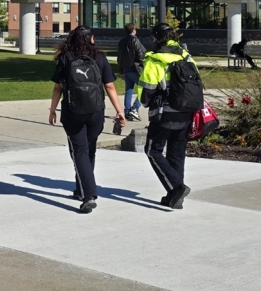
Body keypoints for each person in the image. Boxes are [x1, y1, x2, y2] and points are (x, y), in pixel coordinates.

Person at [48, 26, 126, 213]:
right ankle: (81, 189)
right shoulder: (100, 57)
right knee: (89, 149)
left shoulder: (66, 58)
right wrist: (119, 111)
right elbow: (109, 86)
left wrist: (52, 110)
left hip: (72, 112)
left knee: (79, 151)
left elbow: (58, 88)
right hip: (96, 112)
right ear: (91, 39)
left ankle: (88, 195)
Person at [137, 23, 197, 210]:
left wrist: (145, 103)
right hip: (186, 112)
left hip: (164, 113)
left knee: (152, 150)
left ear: (156, 38)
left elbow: (146, 91)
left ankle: (177, 188)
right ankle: (174, 197)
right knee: (176, 154)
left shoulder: (155, 59)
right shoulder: (185, 55)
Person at [117, 22, 146, 122]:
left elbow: (119, 56)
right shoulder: (135, 40)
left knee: (129, 90)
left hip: (126, 68)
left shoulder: (122, 41)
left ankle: (127, 111)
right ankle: (134, 108)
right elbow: (140, 54)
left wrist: (121, 70)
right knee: (144, 89)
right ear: (133, 30)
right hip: (135, 68)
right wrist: (144, 64)